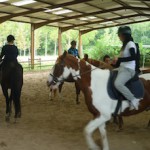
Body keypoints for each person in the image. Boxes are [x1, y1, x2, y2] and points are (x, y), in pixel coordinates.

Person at [114, 26, 140, 110]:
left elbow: (134, 57)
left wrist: (120, 59)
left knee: (118, 84)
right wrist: (113, 63)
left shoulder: (130, 44)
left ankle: (133, 99)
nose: (118, 37)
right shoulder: (124, 46)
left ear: (124, 35)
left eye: (119, 35)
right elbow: (121, 61)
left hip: (128, 70)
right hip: (122, 68)